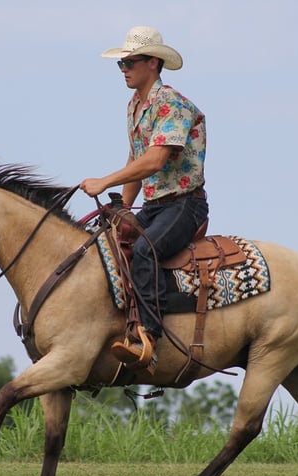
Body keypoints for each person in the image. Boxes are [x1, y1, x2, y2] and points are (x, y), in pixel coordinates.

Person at [80, 26, 209, 373]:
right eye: (120, 64)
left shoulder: (172, 103)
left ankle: (148, 339)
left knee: (144, 250)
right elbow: (135, 161)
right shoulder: (135, 106)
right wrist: (120, 205)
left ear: (153, 62)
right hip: (154, 205)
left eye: (130, 62)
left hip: (185, 205)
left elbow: (154, 161)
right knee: (110, 247)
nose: (124, 70)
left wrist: (103, 182)